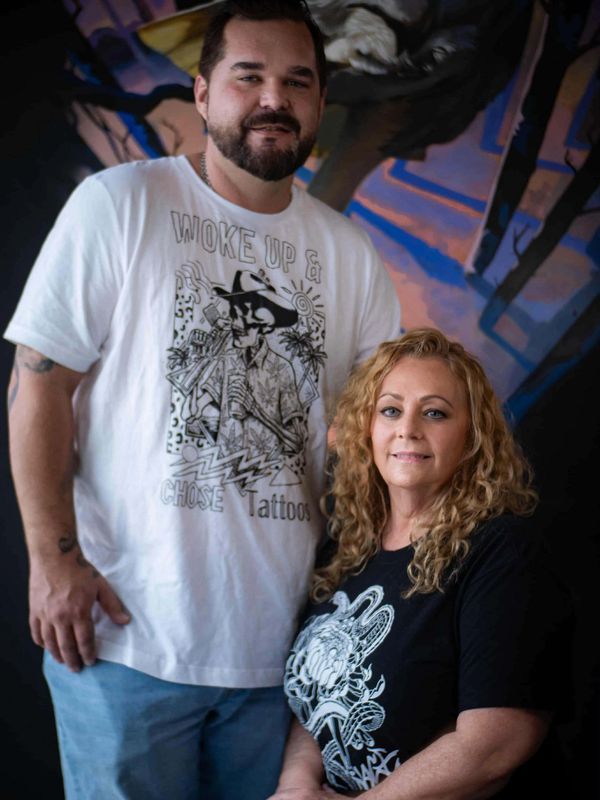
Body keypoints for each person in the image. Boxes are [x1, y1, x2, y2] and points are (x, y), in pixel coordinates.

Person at [4, 1, 401, 798]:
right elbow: (38, 385)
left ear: (320, 102)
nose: (272, 99)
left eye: (297, 81)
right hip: (123, 645)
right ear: (203, 90)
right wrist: (52, 561)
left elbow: (374, 441)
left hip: (277, 656)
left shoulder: (350, 255)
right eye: (247, 76)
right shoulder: (122, 204)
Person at [272, 328, 571, 799]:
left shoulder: (502, 555)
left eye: (435, 413)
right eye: (391, 410)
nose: (408, 428)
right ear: (367, 429)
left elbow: (494, 746)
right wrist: (296, 785)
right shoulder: (349, 548)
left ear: (473, 436)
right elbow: (315, 698)